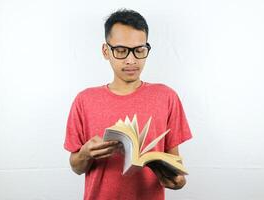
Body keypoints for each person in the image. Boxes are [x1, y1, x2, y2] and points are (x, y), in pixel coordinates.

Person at [64, 8, 192, 200]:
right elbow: (76, 167)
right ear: (106, 51)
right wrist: (85, 154)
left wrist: (178, 181)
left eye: (139, 50)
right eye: (121, 51)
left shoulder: (166, 97)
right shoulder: (84, 100)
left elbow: (176, 167)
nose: (131, 60)